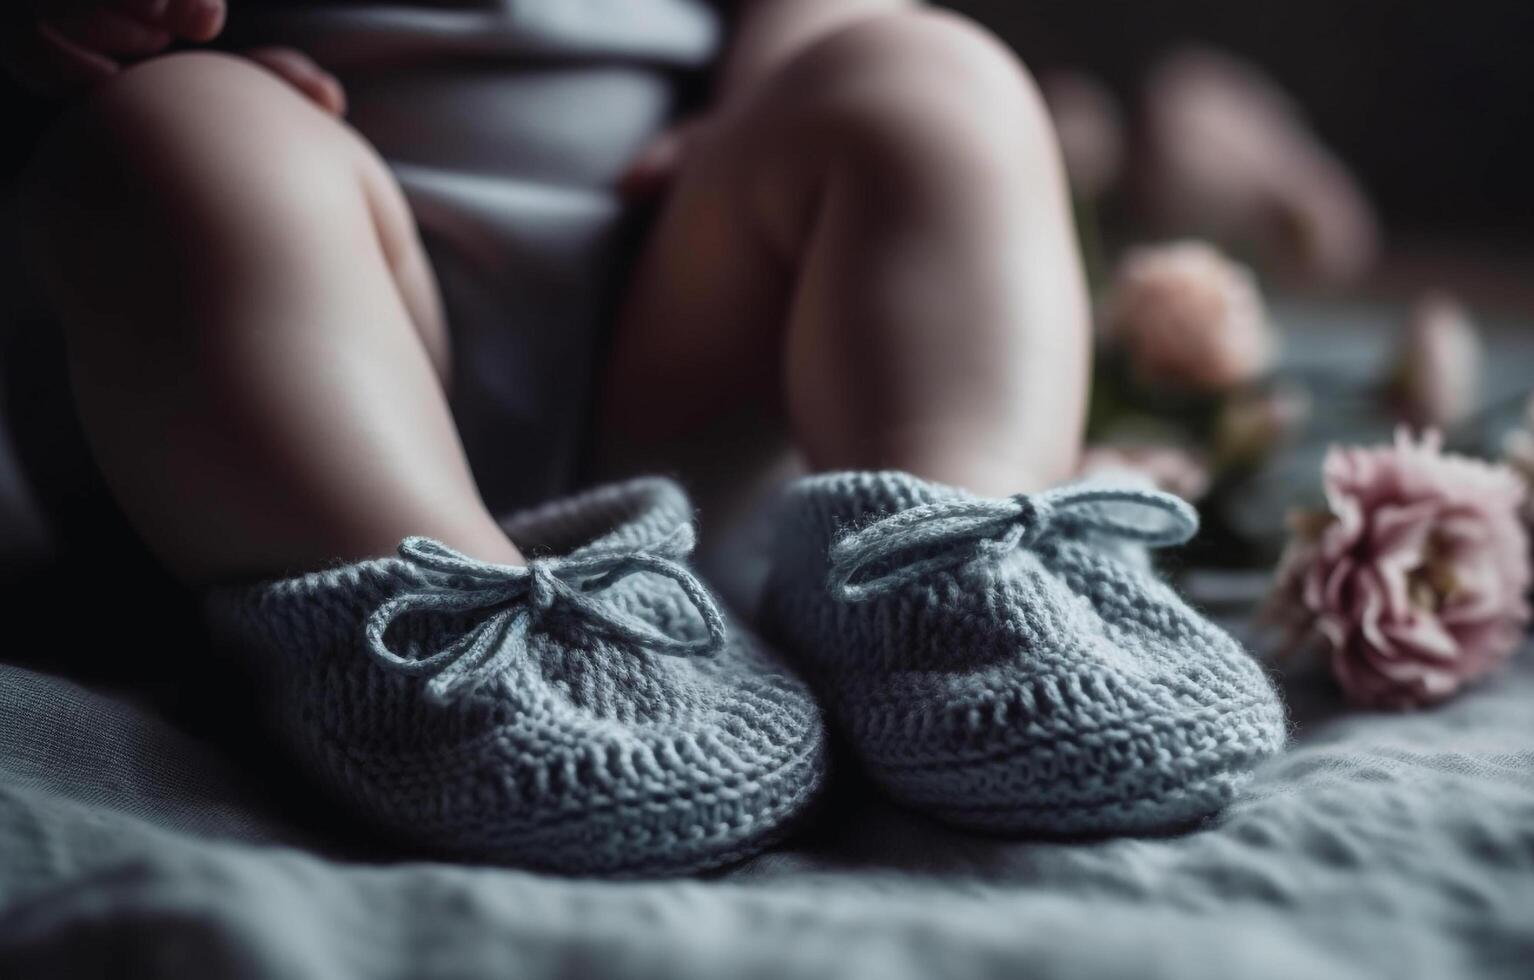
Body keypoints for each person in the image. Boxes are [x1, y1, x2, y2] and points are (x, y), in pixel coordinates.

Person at [4, 0, 1283, 875]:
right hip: (277, 366)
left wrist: (781, 84)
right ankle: (427, 632)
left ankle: (947, 555)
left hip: (664, 346)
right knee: (179, 143)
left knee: (931, 81)